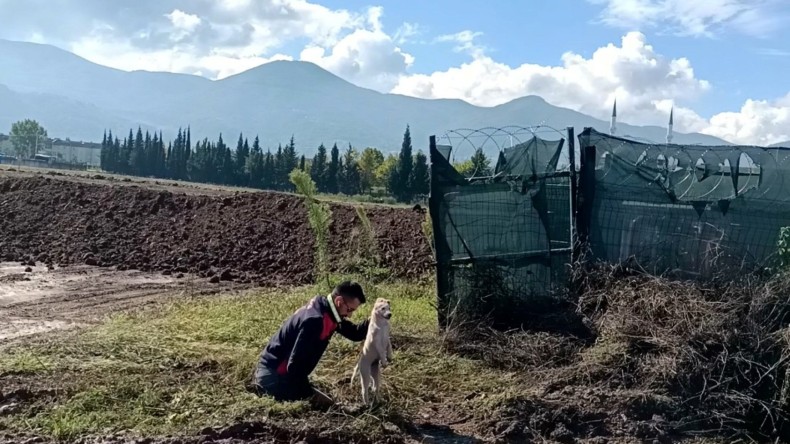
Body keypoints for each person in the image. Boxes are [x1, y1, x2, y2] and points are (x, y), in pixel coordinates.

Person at [250, 280, 369, 408]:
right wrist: (313, 395)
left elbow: (354, 333)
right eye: (350, 309)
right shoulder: (315, 321)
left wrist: (375, 318)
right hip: (273, 376)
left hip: (278, 372)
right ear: (339, 301)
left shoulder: (325, 308)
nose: (350, 315)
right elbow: (295, 368)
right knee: (331, 408)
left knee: (322, 400)